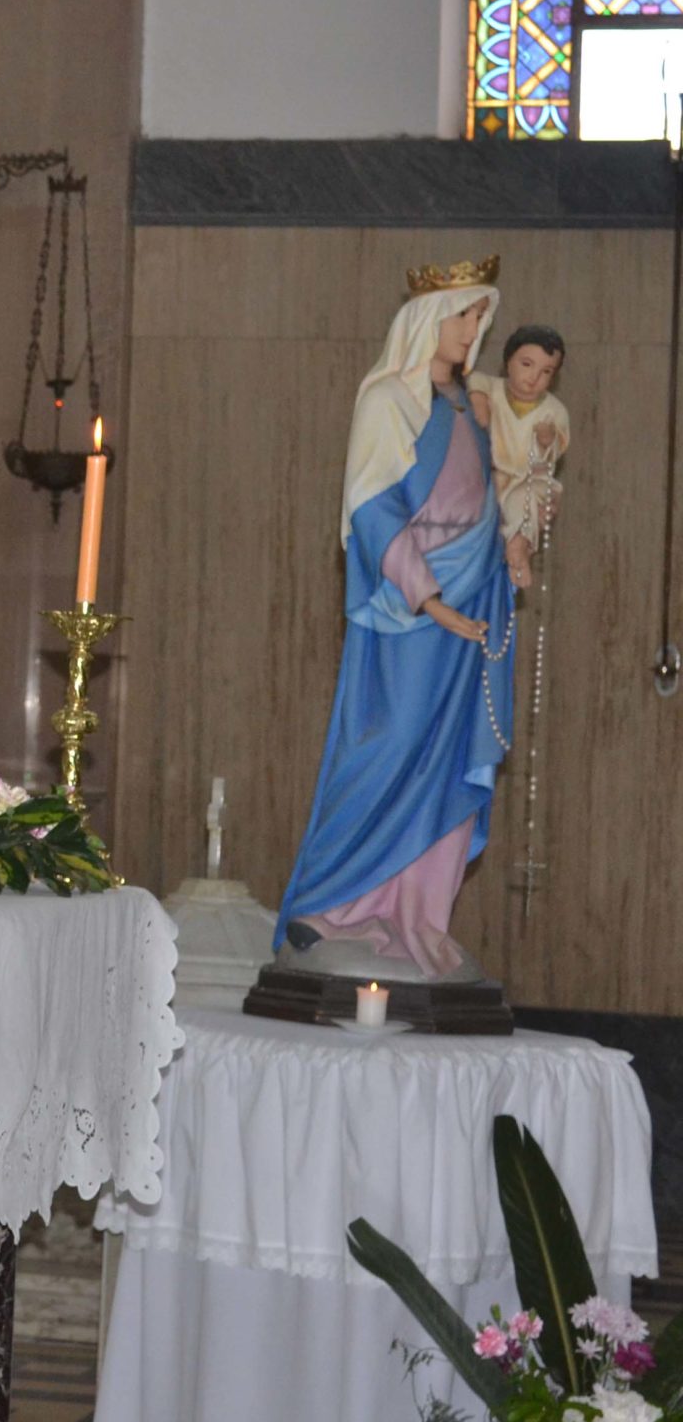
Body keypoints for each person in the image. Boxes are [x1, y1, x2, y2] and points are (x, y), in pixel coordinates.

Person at [275, 266, 514, 979]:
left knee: (448, 757)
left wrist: (516, 536)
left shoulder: (469, 405)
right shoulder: (388, 399)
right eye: (461, 316)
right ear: (424, 321)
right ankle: (330, 906)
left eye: (479, 318)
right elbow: (374, 509)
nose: (472, 331)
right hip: (409, 609)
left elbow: (486, 494)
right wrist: (429, 597)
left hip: (473, 598)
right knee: (390, 743)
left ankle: (418, 919)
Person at [467, 322, 572, 588]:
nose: (534, 377)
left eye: (546, 371)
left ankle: (518, 546)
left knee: (523, 503)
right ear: (507, 362)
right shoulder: (493, 388)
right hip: (493, 475)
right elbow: (474, 378)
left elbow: (556, 449)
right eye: (526, 364)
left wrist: (547, 441)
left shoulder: (554, 410)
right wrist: (478, 399)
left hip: (529, 479)